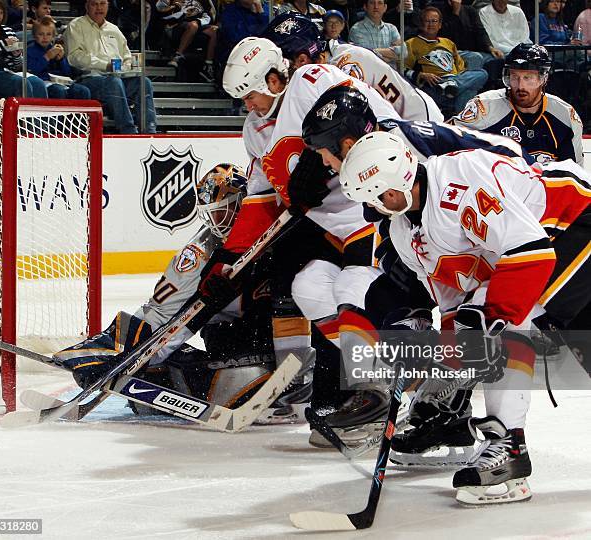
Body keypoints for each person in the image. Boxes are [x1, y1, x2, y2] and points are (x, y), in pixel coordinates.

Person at [338, 129, 590, 504]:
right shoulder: (405, 231)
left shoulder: (458, 181)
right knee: (481, 328)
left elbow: (530, 250)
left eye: (372, 199)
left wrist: (489, 322)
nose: (371, 209)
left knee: (496, 322)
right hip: (543, 249)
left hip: (575, 222)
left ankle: (509, 449)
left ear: (391, 190)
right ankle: (484, 433)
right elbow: (455, 297)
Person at [221, 36, 404, 436]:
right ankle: (356, 387)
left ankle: (390, 387)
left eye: (250, 94)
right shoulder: (255, 130)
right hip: (326, 226)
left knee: (356, 294)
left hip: (371, 214)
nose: (247, 105)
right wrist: (229, 257)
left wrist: (318, 164)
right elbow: (260, 194)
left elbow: (370, 117)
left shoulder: (310, 79)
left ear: (272, 79)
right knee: (305, 287)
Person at [54, 163, 315, 424]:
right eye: (211, 216)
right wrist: (123, 351)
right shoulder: (203, 248)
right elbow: (162, 309)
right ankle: (109, 356)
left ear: (242, 204)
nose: (216, 224)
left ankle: (307, 383)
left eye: (222, 213)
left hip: (285, 332)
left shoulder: (279, 227)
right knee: (225, 381)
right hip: (232, 337)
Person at [261, 12, 443, 122]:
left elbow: (354, 121)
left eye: (284, 64)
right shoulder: (326, 62)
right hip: (398, 125)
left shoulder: (347, 62)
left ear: (301, 60)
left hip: (420, 121)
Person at [451, 43, 584, 165]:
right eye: (515, 77)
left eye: (528, 78)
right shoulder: (484, 107)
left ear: (543, 78)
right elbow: (446, 139)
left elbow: (574, 174)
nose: (520, 86)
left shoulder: (565, 115)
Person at [64, 0, 157, 134]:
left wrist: (128, 67)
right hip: (89, 79)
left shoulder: (114, 29)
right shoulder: (76, 26)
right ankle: (128, 130)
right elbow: (74, 57)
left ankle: (150, 130)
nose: (99, 8)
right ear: (86, 6)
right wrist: (105, 66)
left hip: (117, 77)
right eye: (94, 4)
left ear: (108, 6)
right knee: (114, 82)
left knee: (143, 82)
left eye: (102, 4)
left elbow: (127, 56)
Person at [404, 7, 488, 116]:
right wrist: (421, 75)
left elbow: (460, 69)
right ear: (421, 24)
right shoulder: (411, 43)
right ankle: (461, 119)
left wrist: (459, 80)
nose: (431, 24)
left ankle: (454, 90)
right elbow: (402, 69)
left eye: (434, 21)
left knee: (482, 74)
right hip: (434, 85)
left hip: (453, 85)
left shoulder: (448, 43)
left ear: (440, 25)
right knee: (470, 87)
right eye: (427, 21)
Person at [0, 0, 48, 97]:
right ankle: (23, 112)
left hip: (8, 72)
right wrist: (2, 44)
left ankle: (39, 112)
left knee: (38, 84)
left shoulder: (8, 31)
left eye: (1, 13)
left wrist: (17, 55)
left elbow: (17, 66)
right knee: (21, 84)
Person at [27, 16, 91, 99]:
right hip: (44, 82)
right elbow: (32, 71)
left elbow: (68, 73)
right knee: (59, 91)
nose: (45, 37)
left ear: (53, 36)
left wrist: (61, 60)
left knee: (83, 91)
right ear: (35, 36)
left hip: (62, 81)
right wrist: (46, 57)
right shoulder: (29, 51)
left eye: (48, 34)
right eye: (41, 34)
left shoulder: (56, 49)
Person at [156, 0, 217, 81]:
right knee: (193, 26)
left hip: (198, 24)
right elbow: (160, 8)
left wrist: (199, 21)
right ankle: (177, 56)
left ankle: (208, 66)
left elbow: (209, 15)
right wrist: (172, 6)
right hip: (176, 25)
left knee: (213, 30)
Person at [348, 0, 407, 68]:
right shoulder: (356, 29)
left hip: (390, 76)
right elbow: (364, 54)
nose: (376, 7)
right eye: (372, 3)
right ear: (365, 7)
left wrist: (374, 51)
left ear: (385, 7)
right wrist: (392, 54)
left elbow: (404, 52)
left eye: (380, 3)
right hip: (368, 75)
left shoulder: (391, 29)